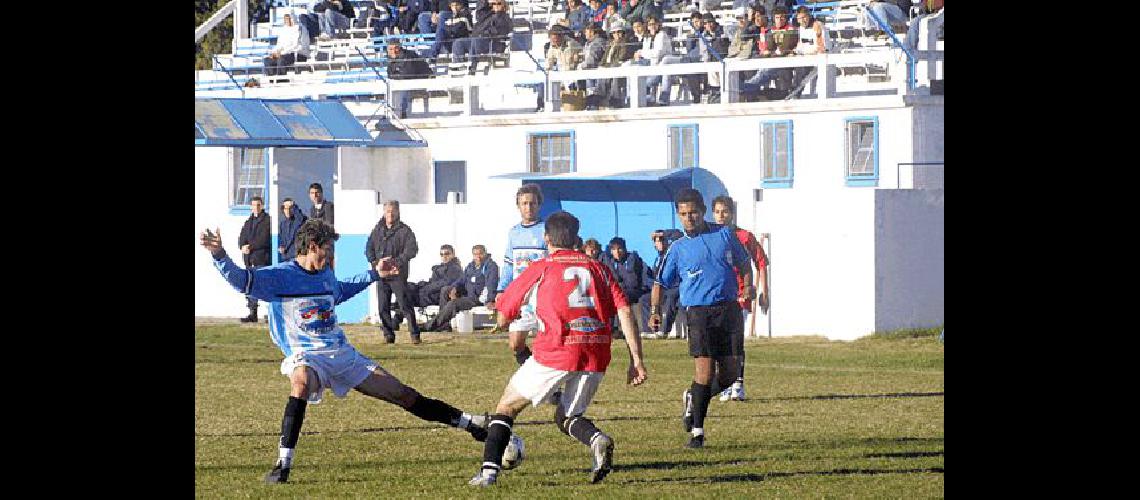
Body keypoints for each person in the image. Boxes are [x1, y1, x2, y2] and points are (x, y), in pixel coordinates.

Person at [200, 220, 490, 485]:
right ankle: (282, 464)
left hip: (342, 355)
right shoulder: (279, 276)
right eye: (327, 250)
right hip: (306, 354)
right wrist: (219, 256)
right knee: (300, 381)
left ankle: (471, 423)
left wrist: (374, 274)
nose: (331, 257)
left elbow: (340, 291)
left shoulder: (324, 274)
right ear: (312, 247)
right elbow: (241, 281)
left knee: (402, 394)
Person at [467, 211, 648, 487]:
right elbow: (624, 311)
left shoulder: (543, 266)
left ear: (546, 238)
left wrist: (502, 321)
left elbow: (504, 314)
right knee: (566, 416)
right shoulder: (599, 267)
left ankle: (488, 473)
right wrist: (636, 359)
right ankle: (597, 440)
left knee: (506, 406)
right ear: (576, 238)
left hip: (558, 349)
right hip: (596, 353)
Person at [648, 188, 752, 449]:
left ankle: (693, 397)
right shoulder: (678, 248)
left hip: (728, 310)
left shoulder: (724, 234)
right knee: (704, 373)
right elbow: (660, 282)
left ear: (703, 211)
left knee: (728, 375)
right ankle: (697, 431)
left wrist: (748, 286)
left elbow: (744, 264)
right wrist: (655, 312)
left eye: (693, 212)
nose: (689, 218)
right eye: (683, 214)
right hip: (699, 314)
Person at [710, 195, 769, 402]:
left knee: (735, 340)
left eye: (724, 211)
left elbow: (761, 262)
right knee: (719, 342)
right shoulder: (710, 237)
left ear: (732, 213)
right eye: (717, 212)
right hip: (718, 296)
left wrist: (764, 291)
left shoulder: (744, 236)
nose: (720, 216)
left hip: (740, 296)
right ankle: (725, 383)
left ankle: (738, 383)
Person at [487, 184, 548, 368]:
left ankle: (551, 387)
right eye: (524, 203)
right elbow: (508, 264)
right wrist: (501, 289)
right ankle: (537, 376)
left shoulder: (547, 230)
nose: (528, 207)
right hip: (521, 296)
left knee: (546, 343)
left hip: (542, 294)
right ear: (518, 206)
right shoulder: (514, 232)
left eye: (532, 203)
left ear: (539, 205)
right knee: (515, 343)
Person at [365, 200, 422, 344]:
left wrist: (397, 262)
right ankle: (388, 336)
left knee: (405, 305)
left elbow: (412, 250)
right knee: (382, 307)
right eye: (387, 211)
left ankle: (415, 335)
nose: (390, 214)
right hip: (381, 275)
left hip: (398, 275)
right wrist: (375, 263)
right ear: (384, 212)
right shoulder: (377, 230)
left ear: (398, 212)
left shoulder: (405, 231)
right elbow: (368, 248)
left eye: (392, 211)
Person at [423, 244, 499, 331]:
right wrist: (454, 288)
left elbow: (491, 284)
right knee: (446, 290)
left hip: (478, 299)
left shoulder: (491, 266)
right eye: (475, 254)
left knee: (454, 304)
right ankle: (444, 325)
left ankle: (430, 326)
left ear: (485, 254)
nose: (478, 257)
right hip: (468, 295)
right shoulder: (471, 266)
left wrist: (490, 300)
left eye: (480, 254)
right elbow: (461, 280)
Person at [638, 229, 682, 336]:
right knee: (644, 299)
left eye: (663, 240)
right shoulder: (657, 258)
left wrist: (662, 233)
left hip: (675, 287)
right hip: (661, 288)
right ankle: (648, 330)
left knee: (670, 296)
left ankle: (664, 330)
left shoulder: (672, 254)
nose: (660, 243)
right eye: (657, 241)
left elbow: (679, 234)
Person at [600, 237, 648, 334]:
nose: (617, 252)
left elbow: (637, 279)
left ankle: (646, 331)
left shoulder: (633, 259)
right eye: (614, 249)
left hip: (634, 291)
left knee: (620, 297)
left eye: (619, 249)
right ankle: (611, 329)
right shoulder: (609, 261)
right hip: (619, 291)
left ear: (625, 249)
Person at [450, 0, 512, 75]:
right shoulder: (487, 15)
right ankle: (458, 69)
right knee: (458, 43)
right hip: (478, 40)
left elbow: (501, 32)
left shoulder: (505, 18)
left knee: (476, 41)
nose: (496, 5)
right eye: (493, 4)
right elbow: (479, 12)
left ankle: (471, 69)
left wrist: (485, 33)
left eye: (498, 3)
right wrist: (486, 1)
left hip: (493, 43)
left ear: (503, 5)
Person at [238, 196, 272, 323]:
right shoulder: (248, 222)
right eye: (253, 205)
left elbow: (264, 239)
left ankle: (271, 314)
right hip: (249, 259)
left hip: (262, 259)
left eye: (258, 205)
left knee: (265, 286)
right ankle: (253, 314)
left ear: (262, 206)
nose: (256, 207)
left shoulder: (267, 220)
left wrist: (250, 246)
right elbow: (242, 237)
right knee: (250, 286)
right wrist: (242, 246)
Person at [385, 39, 433, 119]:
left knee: (404, 88)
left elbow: (408, 74)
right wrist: (396, 76)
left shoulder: (408, 56)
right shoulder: (391, 59)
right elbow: (389, 74)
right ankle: (390, 112)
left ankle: (403, 112)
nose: (393, 51)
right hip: (405, 80)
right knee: (389, 87)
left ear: (400, 48)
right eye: (391, 49)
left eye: (396, 48)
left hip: (421, 79)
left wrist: (396, 75)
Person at [278, 197, 308, 262]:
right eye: (286, 208)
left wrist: (294, 206)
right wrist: (282, 247)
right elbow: (282, 240)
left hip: (296, 257)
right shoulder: (282, 224)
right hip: (286, 257)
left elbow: (301, 219)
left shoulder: (297, 221)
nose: (288, 211)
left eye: (290, 208)